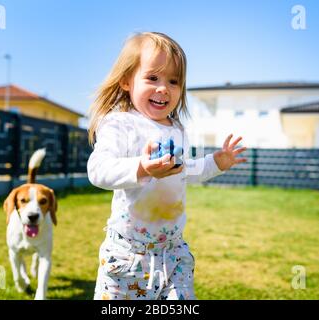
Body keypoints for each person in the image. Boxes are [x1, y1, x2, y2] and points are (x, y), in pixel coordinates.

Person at [87, 31, 246, 300]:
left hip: (173, 253)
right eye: (152, 78)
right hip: (128, 254)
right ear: (127, 80)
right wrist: (142, 168)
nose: (164, 88)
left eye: (174, 81)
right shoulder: (120, 124)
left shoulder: (177, 129)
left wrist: (215, 163)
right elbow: (98, 170)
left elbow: (184, 172)